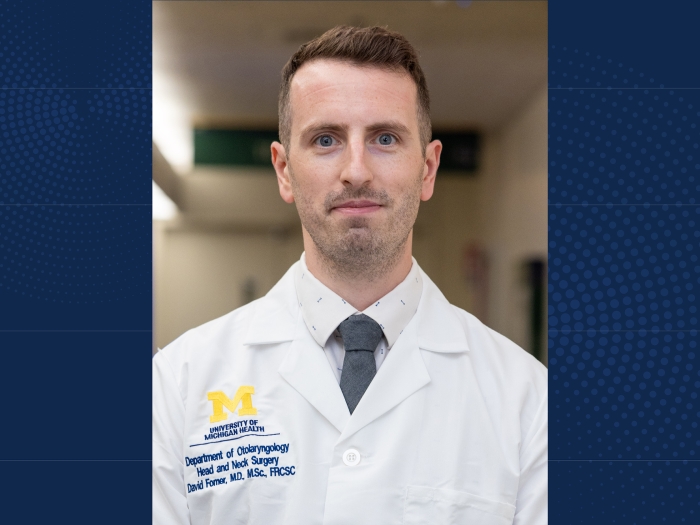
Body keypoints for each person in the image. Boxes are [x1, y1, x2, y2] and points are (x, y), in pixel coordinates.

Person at [153, 26, 547, 525]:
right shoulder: (179, 386)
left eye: (385, 138)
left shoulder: (528, 401)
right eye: (325, 139)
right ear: (283, 170)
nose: (356, 170)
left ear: (427, 169)